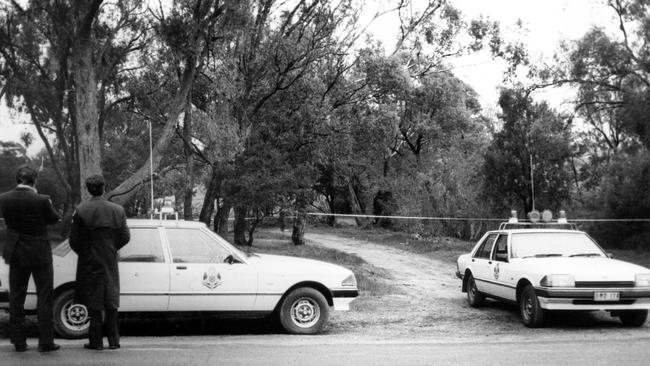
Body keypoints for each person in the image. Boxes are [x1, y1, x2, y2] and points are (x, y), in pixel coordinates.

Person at [0, 165, 61, 352]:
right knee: (44, 296)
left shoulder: (3, 198)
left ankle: (19, 341)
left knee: (16, 298)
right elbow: (54, 219)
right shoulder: (42, 199)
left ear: (17, 180)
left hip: (16, 250)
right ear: (34, 180)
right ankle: (45, 342)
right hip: (39, 252)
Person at [69, 174, 130, 350]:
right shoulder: (117, 210)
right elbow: (125, 237)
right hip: (109, 257)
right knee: (111, 298)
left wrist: (86, 252)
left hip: (89, 258)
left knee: (94, 300)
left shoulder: (81, 210)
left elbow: (74, 240)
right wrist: (111, 247)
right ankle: (114, 340)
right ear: (104, 187)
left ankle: (96, 342)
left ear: (88, 189)